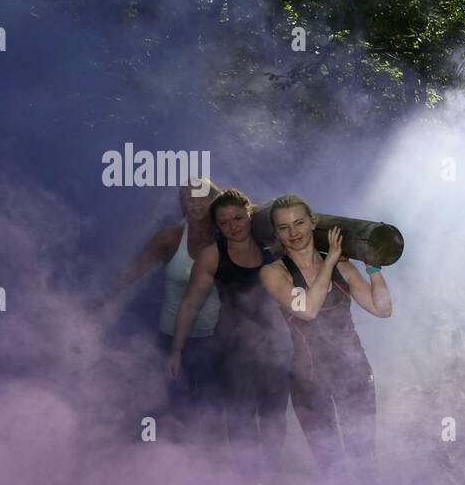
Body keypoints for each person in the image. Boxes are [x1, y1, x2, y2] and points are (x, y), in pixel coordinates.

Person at [258, 195, 392, 468]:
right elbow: (307, 310)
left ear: (313, 223)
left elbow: (382, 309)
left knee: (364, 455)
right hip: (309, 380)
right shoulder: (273, 272)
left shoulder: (342, 265)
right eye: (284, 227)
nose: (293, 232)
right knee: (329, 462)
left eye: (299, 223)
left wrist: (374, 268)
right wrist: (328, 262)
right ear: (276, 233)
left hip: (353, 371)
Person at [167, 188, 292, 467]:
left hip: (277, 345)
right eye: (224, 223)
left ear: (250, 215)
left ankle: (268, 473)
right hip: (236, 349)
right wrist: (176, 350)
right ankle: (245, 481)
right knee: (241, 417)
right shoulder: (212, 256)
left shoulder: (272, 249)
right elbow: (189, 305)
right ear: (217, 227)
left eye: (238, 218)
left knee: (274, 416)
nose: (233, 226)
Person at [107, 180, 223, 438]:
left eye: (202, 197)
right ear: (183, 205)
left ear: (214, 201)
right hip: (172, 337)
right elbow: (133, 271)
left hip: (215, 339)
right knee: (173, 406)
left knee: (212, 409)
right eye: (189, 199)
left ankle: (209, 462)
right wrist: (102, 300)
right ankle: (167, 462)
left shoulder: (228, 238)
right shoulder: (169, 239)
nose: (196, 203)